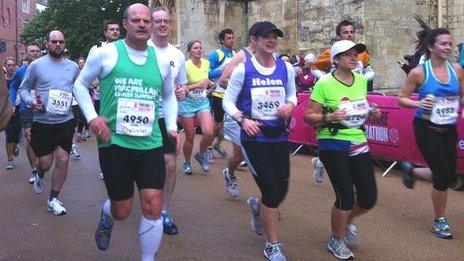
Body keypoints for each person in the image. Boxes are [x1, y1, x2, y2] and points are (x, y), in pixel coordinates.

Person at [73, 4, 180, 259]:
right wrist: (92, 118)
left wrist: (172, 126)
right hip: (115, 144)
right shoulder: (107, 53)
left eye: (146, 20)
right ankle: (107, 216)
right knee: (122, 210)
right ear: (125, 24)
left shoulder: (164, 61)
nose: (142, 24)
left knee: (153, 204)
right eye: (136, 20)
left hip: (150, 142)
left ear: (152, 25)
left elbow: (169, 96)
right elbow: (80, 84)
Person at [223, 21, 296, 261]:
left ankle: (258, 207)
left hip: (278, 135)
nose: (272, 40)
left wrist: (290, 105)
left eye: (275, 36)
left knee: (281, 189)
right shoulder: (244, 69)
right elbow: (228, 101)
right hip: (254, 137)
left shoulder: (285, 68)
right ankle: (272, 244)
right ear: (254, 40)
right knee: (272, 189)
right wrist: (242, 120)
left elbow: (292, 95)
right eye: (266, 36)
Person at [304, 40, 379, 260]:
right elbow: (308, 116)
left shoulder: (361, 80)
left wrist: (371, 111)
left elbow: (360, 107)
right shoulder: (324, 84)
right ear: (336, 59)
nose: (354, 57)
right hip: (331, 141)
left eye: (356, 54)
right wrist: (330, 117)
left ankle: (346, 220)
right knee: (345, 196)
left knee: (368, 198)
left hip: (357, 139)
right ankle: (336, 239)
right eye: (348, 54)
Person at [398, 28, 464, 239]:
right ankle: (440, 221)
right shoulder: (419, 72)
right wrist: (418, 102)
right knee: (443, 177)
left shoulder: (457, 70)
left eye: (449, 44)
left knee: (447, 173)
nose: (448, 47)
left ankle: (413, 171)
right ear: (431, 46)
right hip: (426, 128)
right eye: (443, 43)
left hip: (448, 128)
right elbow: (402, 98)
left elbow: (462, 96)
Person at [19, 30, 80, 215]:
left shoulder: (73, 66)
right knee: (45, 163)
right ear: (47, 43)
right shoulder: (36, 65)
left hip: (65, 120)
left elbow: (79, 89)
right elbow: (24, 89)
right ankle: (38, 173)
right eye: (54, 41)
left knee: (63, 159)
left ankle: (53, 198)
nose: (58, 44)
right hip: (43, 122)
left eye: (61, 41)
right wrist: (31, 101)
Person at [148, 6, 188, 236]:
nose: (162, 24)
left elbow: (181, 85)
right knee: (143, 166)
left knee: (170, 165)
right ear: (151, 24)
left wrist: (182, 90)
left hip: (166, 118)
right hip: (143, 117)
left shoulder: (177, 54)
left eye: (166, 21)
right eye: (158, 21)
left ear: (170, 25)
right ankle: (146, 200)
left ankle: (163, 211)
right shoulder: (142, 49)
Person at [217, 24, 259, 197]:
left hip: (258, 115)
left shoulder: (269, 58)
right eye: (264, 38)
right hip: (239, 114)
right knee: (241, 155)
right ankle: (230, 174)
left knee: (260, 157)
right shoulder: (242, 56)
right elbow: (223, 80)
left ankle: (269, 201)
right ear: (253, 39)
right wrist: (245, 88)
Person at [89, 19, 122, 180]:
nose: (115, 32)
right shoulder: (97, 50)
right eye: (111, 29)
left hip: (121, 99)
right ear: (105, 32)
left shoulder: (125, 49)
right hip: (103, 98)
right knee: (103, 132)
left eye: (117, 29)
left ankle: (123, 165)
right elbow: (88, 73)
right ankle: (105, 167)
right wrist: (95, 84)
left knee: (121, 131)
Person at [180, 40, 214, 175]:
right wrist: (197, 85)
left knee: (209, 132)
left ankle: (201, 154)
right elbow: (181, 87)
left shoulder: (206, 63)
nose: (199, 50)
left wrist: (209, 84)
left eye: (200, 48)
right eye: (195, 48)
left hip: (202, 102)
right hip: (187, 102)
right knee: (190, 136)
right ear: (190, 51)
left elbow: (206, 81)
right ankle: (187, 162)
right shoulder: (185, 66)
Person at [8, 42, 41, 182]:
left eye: (37, 51)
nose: (35, 53)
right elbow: (14, 87)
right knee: (30, 138)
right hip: (26, 109)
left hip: (43, 109)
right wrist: (11, 104)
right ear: (26, 53)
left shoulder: (45, 68)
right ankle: (34, 169)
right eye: (32, 51)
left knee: (43, 139)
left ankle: (41, 164)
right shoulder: (20, 71)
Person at [208, 28, 236, 159]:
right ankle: (208, 148)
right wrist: (222, 70)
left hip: (231, 95)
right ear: (222, 40)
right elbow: (208, 73)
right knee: (218, 124)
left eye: (232, 38)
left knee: (228, 125)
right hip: (218, 93)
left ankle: (217, 144)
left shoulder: (235, 54)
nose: (231, 40)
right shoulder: (216, 55)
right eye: (228, 38)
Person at [4, 57, 21, 169]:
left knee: (17, 135)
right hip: (5, 111)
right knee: (9, 135)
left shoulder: (19, 79)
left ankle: (15, 144)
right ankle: (10, 159)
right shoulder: (2, 80)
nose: (11, 67)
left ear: (15, 66)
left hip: (19, 110)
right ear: (5, 67)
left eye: (12, 65)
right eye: (8, 65)